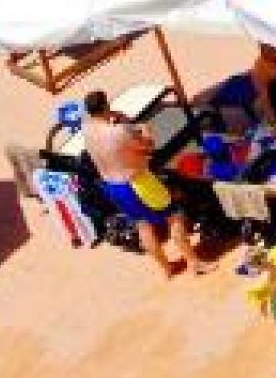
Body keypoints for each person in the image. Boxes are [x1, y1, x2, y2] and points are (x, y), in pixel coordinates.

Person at [80, 91, 192, 274]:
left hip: (113, 187)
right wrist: (143, 128)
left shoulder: (87, 130)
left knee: (143, 226)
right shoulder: (117, 132)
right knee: (174, 216)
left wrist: (117, 120)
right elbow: (149, 146)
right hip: (137, 182)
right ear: (106, 106)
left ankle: (167, 268)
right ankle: (194, 263)